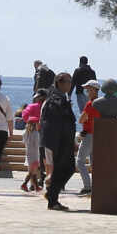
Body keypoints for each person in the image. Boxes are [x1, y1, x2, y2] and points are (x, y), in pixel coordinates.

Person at [42, 73, 77, 210]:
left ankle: (52, 195)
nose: (70, 84)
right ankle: (52, 199)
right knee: (65, 168)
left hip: (64, 140)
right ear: (60, 83)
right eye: (68, 82)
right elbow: (54, 124)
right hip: (59, 141)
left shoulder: (61, 98)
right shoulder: (55, 99)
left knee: (67, 168)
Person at [75, 80, 101, 195]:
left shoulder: (90, 104)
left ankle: (87, 186)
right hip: (98, 135)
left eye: (88, 89)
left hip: (89, 135)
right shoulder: (101, 103)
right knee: (94, 162)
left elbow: (81, 119)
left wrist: (85, 120)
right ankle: (97, 186)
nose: (86, 91)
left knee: (80, 161)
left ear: (94, 90)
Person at [20, 91, 46, 192]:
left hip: (30, 152)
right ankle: (25, 184)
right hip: (35, 152)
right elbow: (37, 144)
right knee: (34, 169)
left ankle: (35, 186)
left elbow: (24, 115)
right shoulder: (36, 134)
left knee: (33, 169)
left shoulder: (26, 133)